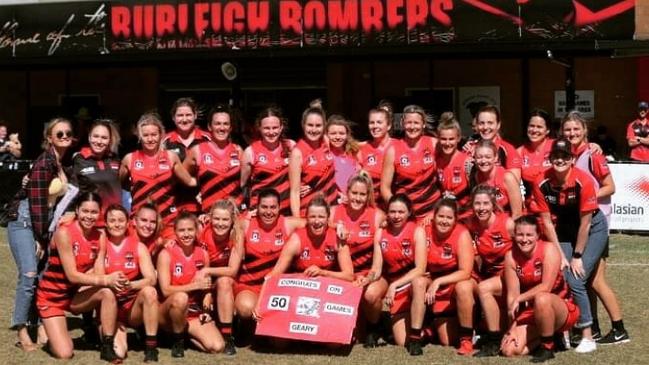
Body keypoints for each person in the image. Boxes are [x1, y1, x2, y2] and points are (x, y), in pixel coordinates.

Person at [531, 138, 608, 353]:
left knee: (576, 278)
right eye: (556, 156)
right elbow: (546, 222)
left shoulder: (583, 180)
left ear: (572, 159)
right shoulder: (541, 182)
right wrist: (559, 254)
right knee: (561, 273)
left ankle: (587, 334)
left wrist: (576, 255)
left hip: (593, 228)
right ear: (550, 158)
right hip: (564, 230)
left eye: (565, 156)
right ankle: (563, 331)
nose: (560, 160)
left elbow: (585, 223)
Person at [561, 112, 628, 345]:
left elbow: (610, 187)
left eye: (576, 130)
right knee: (587, 279)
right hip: (581, 224)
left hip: (597, 223)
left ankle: (619, 329)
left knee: (595, 280)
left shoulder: (593, 155)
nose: (572, 134)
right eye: (568, 130)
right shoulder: (569, 154)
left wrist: (585, 198)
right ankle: (595, 327)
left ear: (585, 131)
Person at [8, 117, 73, 351]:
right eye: (59, 134)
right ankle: (22, 330)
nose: (65, 137)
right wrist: (40, 237)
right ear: (49, 138)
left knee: (42, 278)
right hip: (27, 223)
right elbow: (36, 203)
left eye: (68, 133)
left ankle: (40, 326)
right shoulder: (45, 162)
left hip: (41, 224)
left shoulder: (59, 163)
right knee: (28, 275)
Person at [36, 192, 122, 361]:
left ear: (99, 214)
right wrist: (106, 280)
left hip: (74, 296)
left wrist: (111, 280)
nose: (89, 216)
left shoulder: (101, 235)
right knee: (65, 353)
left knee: (107, 292)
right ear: (77, 210)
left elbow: (99, 272)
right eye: (85, 211)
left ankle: (106, 345)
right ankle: (47, 334)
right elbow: (72, 276)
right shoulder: (64, 232)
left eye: (94, 212)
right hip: (51, 298)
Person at [500, 215, 580, 363]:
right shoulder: (510, 256)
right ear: (514, 235)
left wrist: (520, 298)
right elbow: (512, 297)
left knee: (541, 298)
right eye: (520, 235)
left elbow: (546, 287)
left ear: (538, 235)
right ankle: (551, 337)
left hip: (561, 307)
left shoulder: (549, 249)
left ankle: (547, 347)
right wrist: (511, 328)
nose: (524, 239)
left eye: (529, 235)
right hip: (532, 312)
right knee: (508, 350)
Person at [234, 189, 304, 338]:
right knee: (246, 308)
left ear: (279, 208)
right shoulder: (246, 224)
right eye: (264, 207)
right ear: (257, 208)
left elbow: (317, 221)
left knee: (280, 344)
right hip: (250, 286)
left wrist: (338, 226)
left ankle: (266, 333)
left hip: (276, 289)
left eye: (273, 207)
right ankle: (246, 327)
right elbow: (223, 224)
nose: (268, 212)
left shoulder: (288, 224)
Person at [409, 199, 474, 356]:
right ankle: (415, 337)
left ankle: (466, 339)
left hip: (454, 282)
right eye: (441, 216)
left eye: (449, 217)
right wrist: (384, 223)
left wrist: (438, 281)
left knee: (464, 287)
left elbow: (465, 272)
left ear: (455, 219)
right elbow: (401, 223)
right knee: (418, 282)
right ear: (433, 217)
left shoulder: (462, 234)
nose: (444, 221)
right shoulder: (424, 229)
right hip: (431, 279)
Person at [157, 212, 224, 358]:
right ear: (175, 232)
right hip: (168, 311)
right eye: (181, 230)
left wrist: (206, 310)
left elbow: (206, 288)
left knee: (217, 347)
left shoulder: (203, 254)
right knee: (180, 298)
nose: (186, 234)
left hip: (192, 313)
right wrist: (194, 286)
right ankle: (176, 340)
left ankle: (184, 335)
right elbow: (165, 290)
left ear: (196, 231)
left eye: (190, 230)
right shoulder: (166, 254)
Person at [330, 172, 385, 347]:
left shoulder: (377, 216)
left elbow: (379, 261)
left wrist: (368, 278)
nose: (357, 198)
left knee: (370, 295)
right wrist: (334, 225)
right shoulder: (333, 212)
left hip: (370, 274)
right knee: (343, 340)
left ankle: (374, 328)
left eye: (362, 194)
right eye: (354, 193)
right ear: (347, 192)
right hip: (343, 275)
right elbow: (309, 222)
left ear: (368, 195)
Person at [364, 194, 427, 348]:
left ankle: (421, 330)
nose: (396, 216)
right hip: (392, 280)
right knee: (401, 341)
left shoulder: (417, 231)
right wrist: (367, 279)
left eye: (401, 212)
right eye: (392, 212)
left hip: (411, 283)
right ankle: (375, 328)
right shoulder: (381, 233)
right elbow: (377, 268)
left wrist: (394, 286)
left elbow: (420, 269)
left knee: (419, 284)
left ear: (409, 213)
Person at [120, 113, 197, 234]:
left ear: (161, 135)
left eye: (154, 135)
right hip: (140, 224)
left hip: (167, 222)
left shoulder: (171, 157)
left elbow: (191, 182)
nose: (150, 139)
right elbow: (116, 186)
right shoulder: (129, 159)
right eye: (145, 135)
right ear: (139, 136)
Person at [99, 204, 159, 362]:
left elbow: (151, 279)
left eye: (121, 220)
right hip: (109, 308)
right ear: (105, 223)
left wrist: (131, 285)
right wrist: (108, 281)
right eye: (112, 220)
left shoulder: (138, 246)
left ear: (128, 223)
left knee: (150, 292)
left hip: (131, 306)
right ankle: (100, 330)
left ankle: (151, 347)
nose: (117, 224)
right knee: (119, 352)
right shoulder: (100, 244)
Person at [463, 184, 515, 357]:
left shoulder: (507, 224)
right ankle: (487, 331)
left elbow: (528, 245)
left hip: (513, 275)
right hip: (491, 274)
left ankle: (493, 342)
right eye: (477, 204)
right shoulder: (471, 223)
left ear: (493, 204)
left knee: (484, 288)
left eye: (486, 203)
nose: (481, 208)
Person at [267, 194, 354, 281]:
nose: (316, 221)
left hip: (327, 287)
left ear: (328, 219)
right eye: (312, 217)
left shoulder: (337, 238)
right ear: (307, 219)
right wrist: (267, 281)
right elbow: (275, 273)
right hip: (299, 286)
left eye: (321, 217)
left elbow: (349, 276)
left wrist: (322, 273)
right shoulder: (296, 240)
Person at [197, 199, 244, 355]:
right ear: (209, 218)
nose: (220, 223)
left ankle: (227, 337)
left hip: (225, 282)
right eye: (216, 218)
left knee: (224, 282)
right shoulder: (201, 230)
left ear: (232, 221)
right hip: (200, 281)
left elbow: (232, 270)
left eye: (225, 219)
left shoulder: (237, 234)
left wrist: (208, 271)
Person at [381, 105, 440, 220]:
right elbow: (385, 188)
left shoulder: (434, 144)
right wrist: (399, 209)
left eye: (416, 123)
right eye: (409, 123)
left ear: (423, 124)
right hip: (407, 215)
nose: (412, 127)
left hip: (432, 213)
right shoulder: (393, 150)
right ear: (403, 123)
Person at [185, 105, 243, 212]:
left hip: (236, 215)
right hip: (209, 215)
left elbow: (247, 182)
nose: (222, 128)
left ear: (230, 128)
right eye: (217, 124)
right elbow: (181, 178)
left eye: (226, 124)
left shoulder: (238, 150)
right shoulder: (197, 151)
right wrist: (195, 194)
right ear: (209, 126)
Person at [240, 106, 295, 215]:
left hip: (285, 211)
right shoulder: (250, 152)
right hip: (260, 212)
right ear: (259, 128)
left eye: (275, 128)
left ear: (281, 127)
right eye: (266, 128)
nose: (271, 132)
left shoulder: (291, 146)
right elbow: (243, 185)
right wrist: (245, 211)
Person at [163, 97, 212, 214]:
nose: (184, 119)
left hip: (203, 206)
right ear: (173, 118)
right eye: (180, 115)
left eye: (188, 115)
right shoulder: (164, 142)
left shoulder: (208, 139)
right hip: (172, 206)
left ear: (195, 115)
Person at [289, 101, 338, 217]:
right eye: (310, 125)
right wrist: (297, 220)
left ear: (324, 126)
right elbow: (295, 192)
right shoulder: (297, 153)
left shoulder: (326, 141)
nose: (314, 129)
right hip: (310, 214)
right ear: (303, 125)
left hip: (332, 210)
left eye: (318, 126)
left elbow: (350, 143)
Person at [72, 119, 122, 226]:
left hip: (113, 222)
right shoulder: (78, 159)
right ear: (89, 137)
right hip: (89, 221)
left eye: (104, 138)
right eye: (96, 136)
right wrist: (70, 211)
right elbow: (71, 190)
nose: (99, 141)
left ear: (109, 140)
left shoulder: (115, 159)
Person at [464, 105, 522, 181]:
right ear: (477, 126)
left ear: (498, 125)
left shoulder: (508, 149)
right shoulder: (469, 148)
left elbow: (515, 182)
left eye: (490, 123)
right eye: (481, 123)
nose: (485, 127)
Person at [470, 140, 523, 218]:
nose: (483, 161)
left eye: (488, 157)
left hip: (508, 222)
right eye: (479, 157)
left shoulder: (507, 178)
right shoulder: (477, 176)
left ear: (495, 158)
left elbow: (517, 214)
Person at [517, 109, 554, 210]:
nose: (534, 130)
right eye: (531, 126)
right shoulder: (519, 152)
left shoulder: (556, 147)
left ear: (547, 130)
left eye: (539, 127)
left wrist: (591, 145)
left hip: (555, 207)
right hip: (531, 208)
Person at [435, 112, 472, 213]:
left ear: (458, 138)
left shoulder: (467, 162)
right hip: (445, 214)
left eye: (451, 139)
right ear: (438, 139)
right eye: (443, 139)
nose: (447, 143)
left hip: (465, 214)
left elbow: (475, 192)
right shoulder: (436, 162)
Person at [358, 106, 396, 205]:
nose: (375, 126)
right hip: (371, 205)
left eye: (379, 122)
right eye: (372, 123)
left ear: (389, 126)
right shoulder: (361, 149)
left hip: (395, 206)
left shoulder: (399, 146)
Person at [326, 114, 361, 194]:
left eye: (341, 133)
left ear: (347, 135)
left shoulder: (354, 154)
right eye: (333, 133)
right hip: (332, 202)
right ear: (327, 134)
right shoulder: (325, 155)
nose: (337, 137)